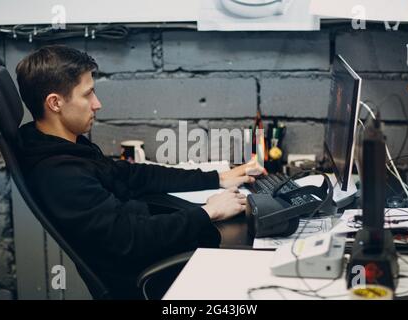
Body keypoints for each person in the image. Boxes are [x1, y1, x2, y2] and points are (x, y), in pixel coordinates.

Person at [16, 45, 264, 299]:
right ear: (55, 103)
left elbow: (134, 175)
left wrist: (216, 178)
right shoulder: (59, 175)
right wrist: (208, 212)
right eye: (87, 94)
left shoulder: (69, 148)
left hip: (160, 247)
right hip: (153, 277)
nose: (97, 104)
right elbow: (131, 238)